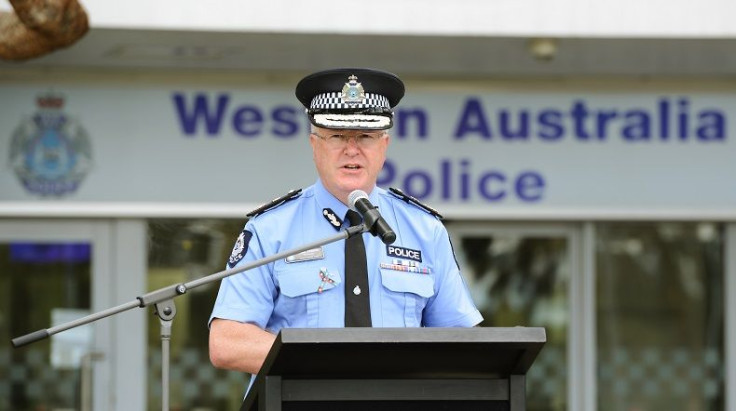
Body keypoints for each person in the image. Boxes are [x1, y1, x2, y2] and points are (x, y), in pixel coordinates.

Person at [208, 68, 483, 377]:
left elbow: (463, 344)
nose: (352, 149)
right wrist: (327, 366)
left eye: (365, 136)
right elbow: (227, 342)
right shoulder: (270, 229)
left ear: (384, 146)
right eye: (337, 135)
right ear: (314, 145)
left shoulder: (424, 230)